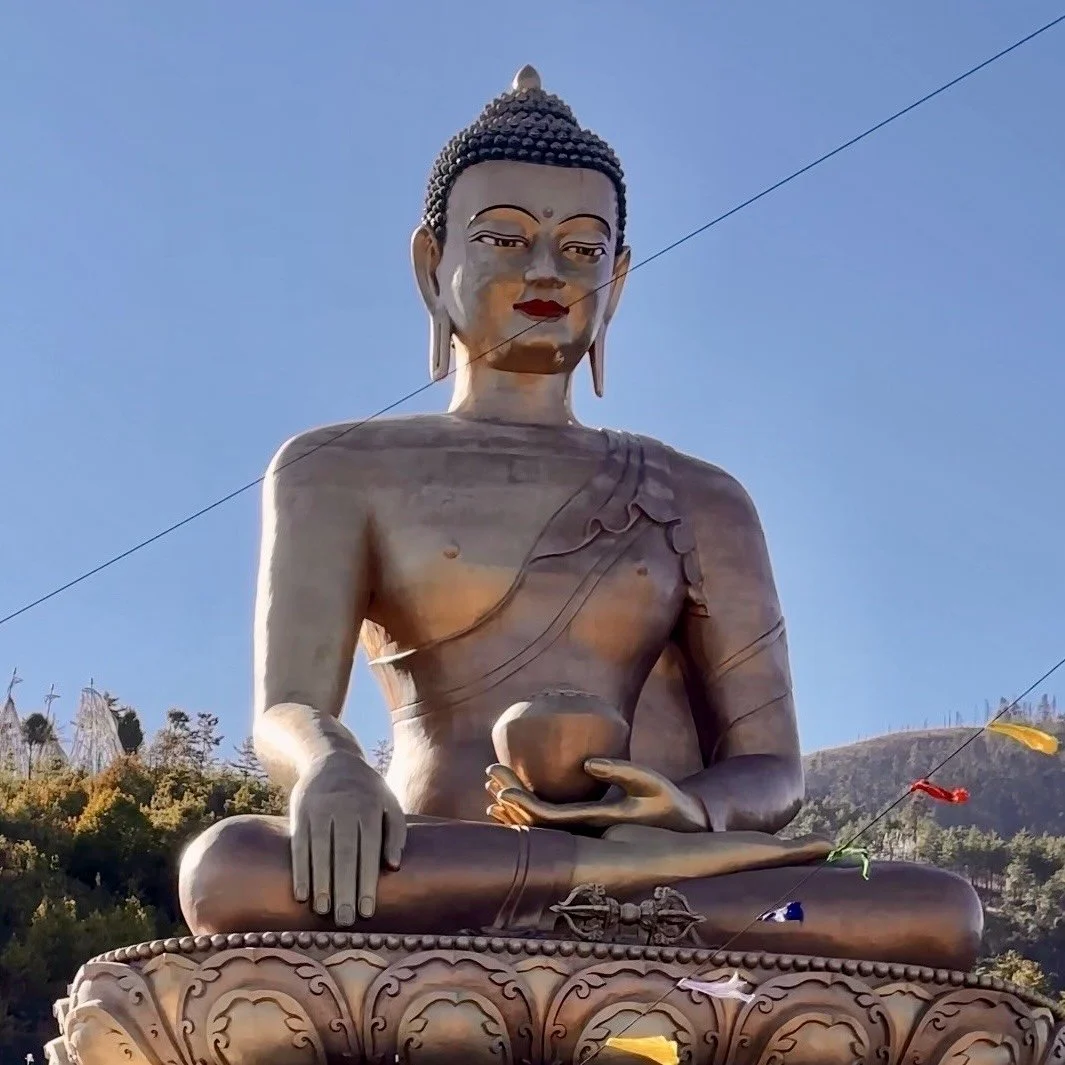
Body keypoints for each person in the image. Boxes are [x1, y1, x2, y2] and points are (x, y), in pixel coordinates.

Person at [179, 67, 982, 970]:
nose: (545, 271)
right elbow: (287, 703)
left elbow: (771, 769)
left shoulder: (700, 494)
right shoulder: (335, 468)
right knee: (232, 869)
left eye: (582, 248)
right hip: (428, 853)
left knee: (932, 908)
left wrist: (693, 814)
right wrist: (328, 763)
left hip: (668, 871)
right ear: (429, 264)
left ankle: (580, 895)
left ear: (620, 279)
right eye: (504, 238)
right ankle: (582, 899)